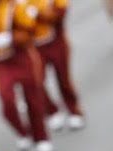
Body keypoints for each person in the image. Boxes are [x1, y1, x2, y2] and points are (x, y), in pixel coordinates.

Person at [0, 0, 52, 151]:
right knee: (6, 100)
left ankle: (41, 138)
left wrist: (11, 38)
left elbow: (31, 30)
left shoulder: (15, 6)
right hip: (1, 63)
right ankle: (23, 132)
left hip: (20, 57)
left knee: (33, 98)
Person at [34, 0, 85, 131]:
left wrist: (38, 14)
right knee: (36, 82)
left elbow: (60, 14)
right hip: (34, 47)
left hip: (57, 41)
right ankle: (52, 111)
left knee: (64, 79)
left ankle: (74, 111)